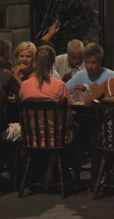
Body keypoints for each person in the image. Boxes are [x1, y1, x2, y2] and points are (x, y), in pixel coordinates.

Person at [19, 46, 83, 180]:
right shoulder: (60, 86)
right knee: (77, 130)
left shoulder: (25, 85)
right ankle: (72, 176)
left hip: (31, 137)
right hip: (55, 138)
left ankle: (38, 173)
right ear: (52, 64)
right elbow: (69, 119)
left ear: (35, 62)